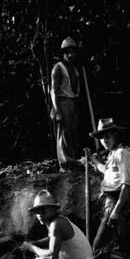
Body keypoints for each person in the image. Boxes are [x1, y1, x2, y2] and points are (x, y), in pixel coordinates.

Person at [87, 118, 130, 259]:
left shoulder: (123, 153)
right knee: (108, 246)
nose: (105, 140)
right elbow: (106, 172)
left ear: (115, 134)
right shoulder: (112, 155)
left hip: (117, 203)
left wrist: (116, 210)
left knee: (108, 246)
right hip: (109, 204)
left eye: (108, 136)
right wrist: (92, 160)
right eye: (101, 137)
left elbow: (126, 184)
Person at [19, 190, 94, 259]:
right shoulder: (55, 222)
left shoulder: (57, 224)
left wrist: (31, 248)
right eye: (38, 211)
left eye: (44, 210)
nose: (40, 214)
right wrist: (35, 243)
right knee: (40, 254)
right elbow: (51, 238)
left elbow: (52, 256)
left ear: (53, 209)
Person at [50, 37, 80, 172]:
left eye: (73, 52)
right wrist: (58, 111)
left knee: (72, 132)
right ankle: (65, 164)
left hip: (72, 102)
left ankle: (72, 161)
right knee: (63, 134)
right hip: (62, 103)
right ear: (63, 53)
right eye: (67, 52)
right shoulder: (58, 68)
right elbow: (53, 91)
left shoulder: (74, 69)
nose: (70, 55)